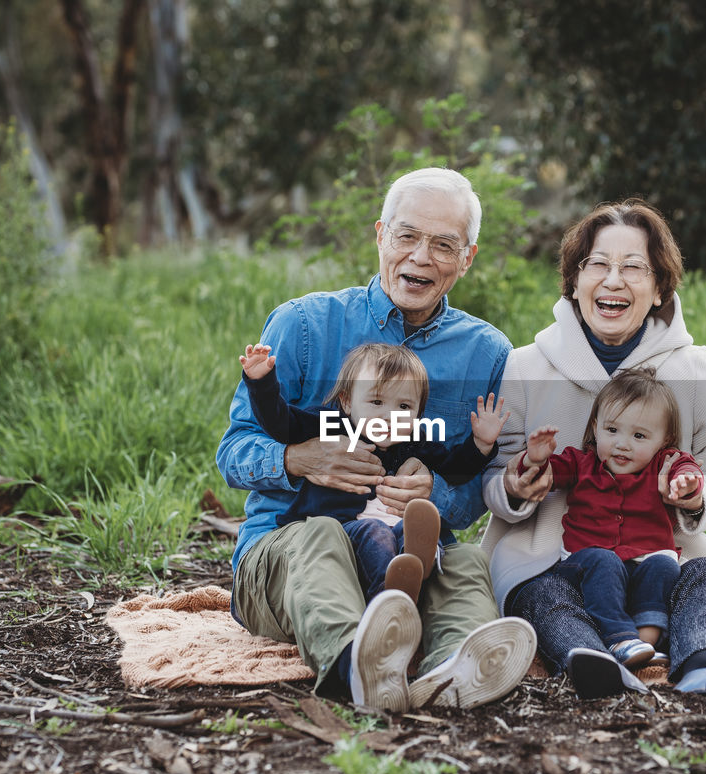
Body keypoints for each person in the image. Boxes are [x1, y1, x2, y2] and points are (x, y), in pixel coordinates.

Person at [217, 167, 536, 713]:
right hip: (286, 552)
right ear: (380, 235)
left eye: (443, 244)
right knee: (320, 534)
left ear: (467, 258)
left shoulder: (486, 352)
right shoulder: (304, 325)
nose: (420, 256)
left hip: (398, 556)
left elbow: (470, 489)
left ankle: (455, 669)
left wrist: (432, 489)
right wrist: (298, 458)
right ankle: (354, 664)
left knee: (460, 562)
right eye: (406, 235)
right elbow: (235, 452)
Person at [481, 199, 706, 700]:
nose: (613, 281)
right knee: (539, 594)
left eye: (634, 268)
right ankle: (594, 663)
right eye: (598, 266)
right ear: (574, 281)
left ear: (658, 290)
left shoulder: (695, 369)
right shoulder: (525, 365)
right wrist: (516, 487)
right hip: (557, 558)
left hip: (661, 555)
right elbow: (497, 479)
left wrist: (693, 498)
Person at [237, 339, 509, 602]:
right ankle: (387, 597)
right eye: (377, 402)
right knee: (374, 533)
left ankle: (422, 569)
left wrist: (480, 444)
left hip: (394, 531)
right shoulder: (333, 426)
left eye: (404, 406)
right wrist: (262, 383)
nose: (390, 415)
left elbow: (454, 468)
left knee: (415, 532)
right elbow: (281, 423)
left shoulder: (414, 441)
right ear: (346, 402)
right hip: (340, 535)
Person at [515, 367, 703, 670]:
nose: (622, 444)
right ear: (595, 425)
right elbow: (544, 474)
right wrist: (534, 459)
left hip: (645, 560)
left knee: (664, 565)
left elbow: (687, 468)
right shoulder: (583, 463)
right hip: (586, 563)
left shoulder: (664, 463)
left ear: (664, 439)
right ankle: (618, 637)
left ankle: (644, 643)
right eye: (612, 430)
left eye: (639, 435)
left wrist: (688, 483)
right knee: (605, 562)